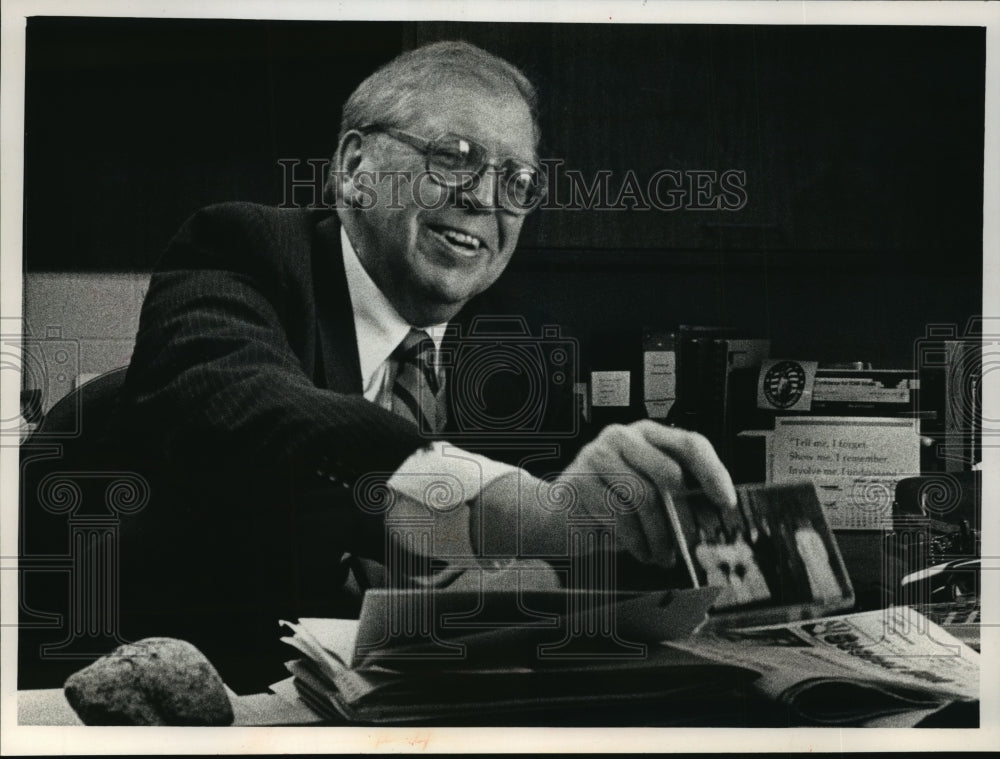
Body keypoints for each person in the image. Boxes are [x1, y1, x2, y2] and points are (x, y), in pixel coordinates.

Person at [113, 41, 737, 689]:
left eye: (517, 181)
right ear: (355, 165)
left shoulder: (513, 353)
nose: (484, 200)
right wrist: (523, 509)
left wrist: (620, 525)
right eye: (454, 157)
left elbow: (554, 565)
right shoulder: (243, 250)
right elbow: (236, 406)